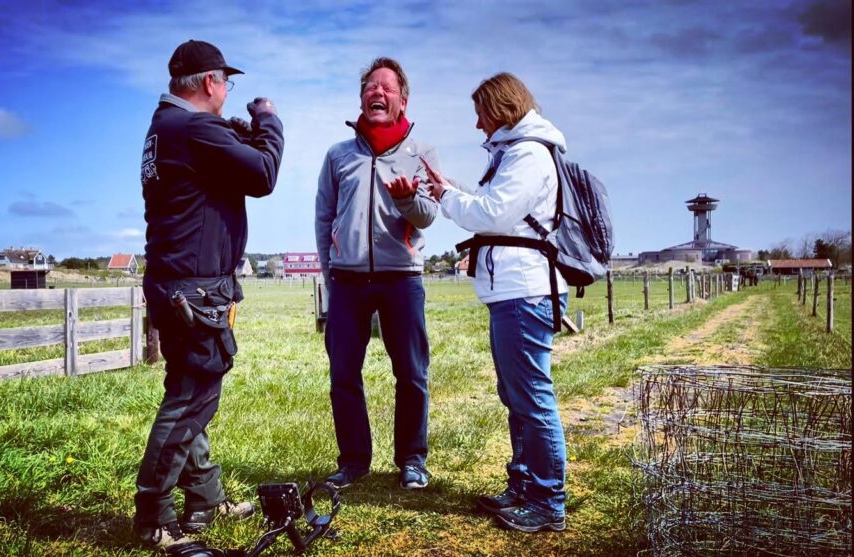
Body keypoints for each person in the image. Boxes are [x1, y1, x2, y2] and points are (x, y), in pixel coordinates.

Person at [135, 39, 284, 553]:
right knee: (192, 397)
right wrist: (267, 119)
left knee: (188, 390)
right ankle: (154, 516)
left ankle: (204, 499)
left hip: (175, 282)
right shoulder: (195, 127)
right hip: (192, 289)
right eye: (227, 81)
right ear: (208, 83)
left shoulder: (165, 129)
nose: (229, 91)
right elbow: (263, 174)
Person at [420, 72, 569, 532]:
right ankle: (524, 484)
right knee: (517, 396)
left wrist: (445, 196)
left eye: (481, 112)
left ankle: (548, 502)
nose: (477, 124)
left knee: (532, 397)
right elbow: (495, 205)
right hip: (513, 290)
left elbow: (489, 214)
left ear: (502, 109)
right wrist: (452, 188)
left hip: (524, 291)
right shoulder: (515, 154)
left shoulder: (527, 154)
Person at [314, 57, 439, 491]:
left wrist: (408, 201)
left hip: (401, 279)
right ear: (361, 98)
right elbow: (323, 218)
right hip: (347, 281)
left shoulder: (420, 152)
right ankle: (353, 460)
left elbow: (428, 216)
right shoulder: (338, 155)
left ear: (403, 99)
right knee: (343, 374)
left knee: (411, 372)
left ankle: (412, 460)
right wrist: (331, 278)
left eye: (386, 87)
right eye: (370, 86)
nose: (377, 93)